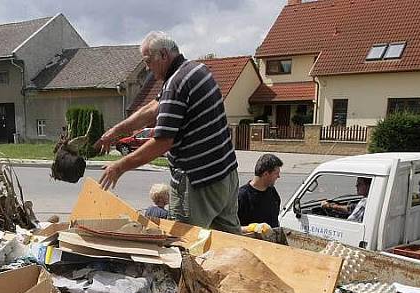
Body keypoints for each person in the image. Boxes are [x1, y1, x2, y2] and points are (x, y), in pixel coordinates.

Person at [94, 31, 240, 234]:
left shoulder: (175, 84)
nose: (147, 68)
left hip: (198, 182)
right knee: (231, 244)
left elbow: (162, 143)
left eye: (148, 61)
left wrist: (120, 166)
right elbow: (154, 107)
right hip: (226, 174)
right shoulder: (196, 69)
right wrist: (116, 131)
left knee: (183, 244)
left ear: (163, 54)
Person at [238, 154, 283, 232]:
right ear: (265, 174)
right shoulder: (242, 196)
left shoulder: (272, 192)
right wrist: (251, 228)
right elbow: (231, 228)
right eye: (276, 173)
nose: (278, 176)